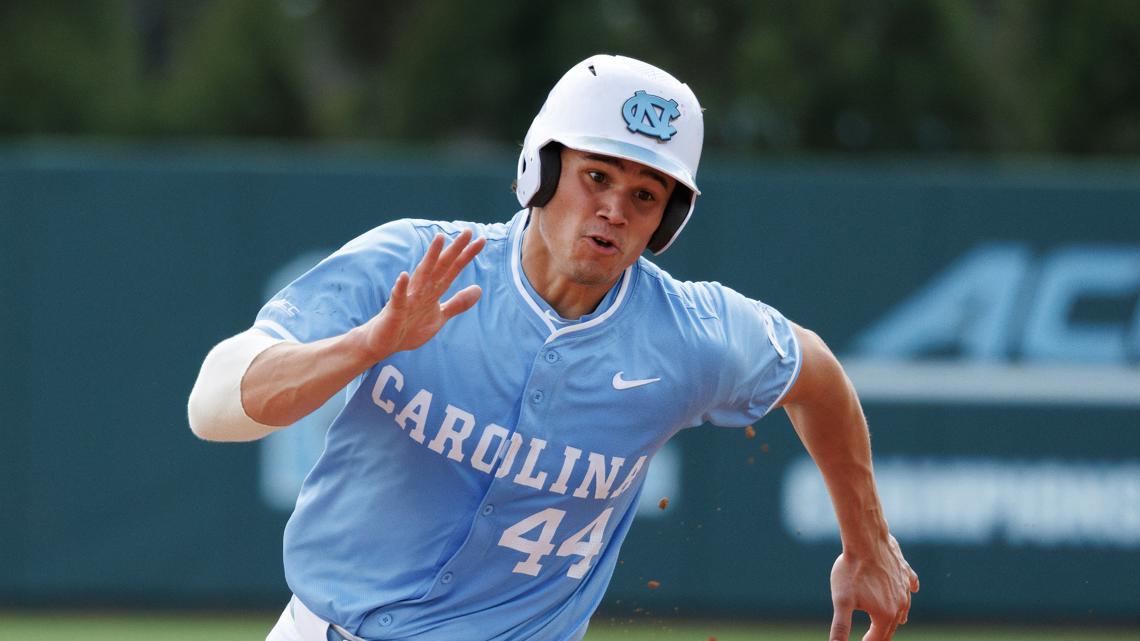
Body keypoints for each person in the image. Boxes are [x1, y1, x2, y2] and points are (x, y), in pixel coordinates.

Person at [188, 54, 918, 641]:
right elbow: (214, 404)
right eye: (596, 175)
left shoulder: (687, 333)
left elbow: (815, 370)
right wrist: (364, 345)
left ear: (668, 221)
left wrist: (868, 541)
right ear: (538, 170)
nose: (613, 209)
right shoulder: (415, 264)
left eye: (645, 194)